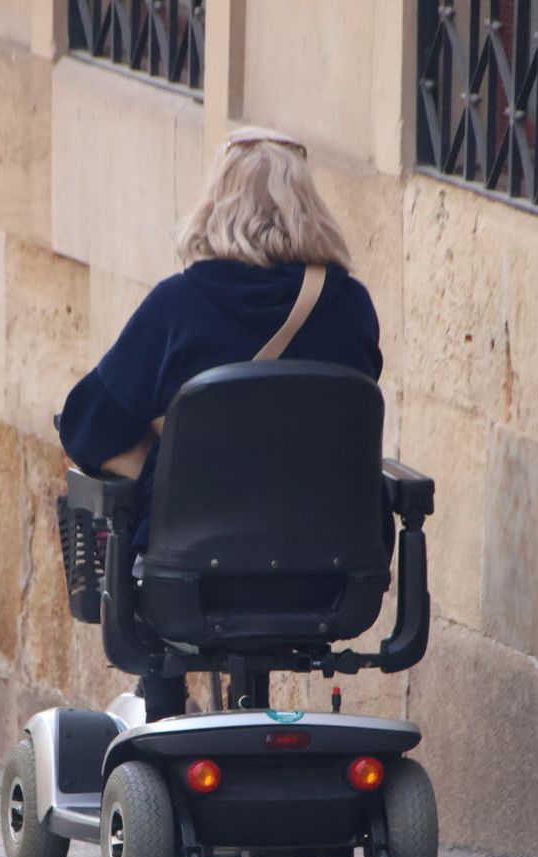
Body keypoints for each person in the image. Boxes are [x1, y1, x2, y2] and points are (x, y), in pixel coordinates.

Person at [58, 126, 385, 720]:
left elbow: (85, 430)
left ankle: (162, 707)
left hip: (190, 581)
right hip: (329, 581)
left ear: (216, 204)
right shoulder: (352, 308)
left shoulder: (179, 306)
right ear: (310, 206)